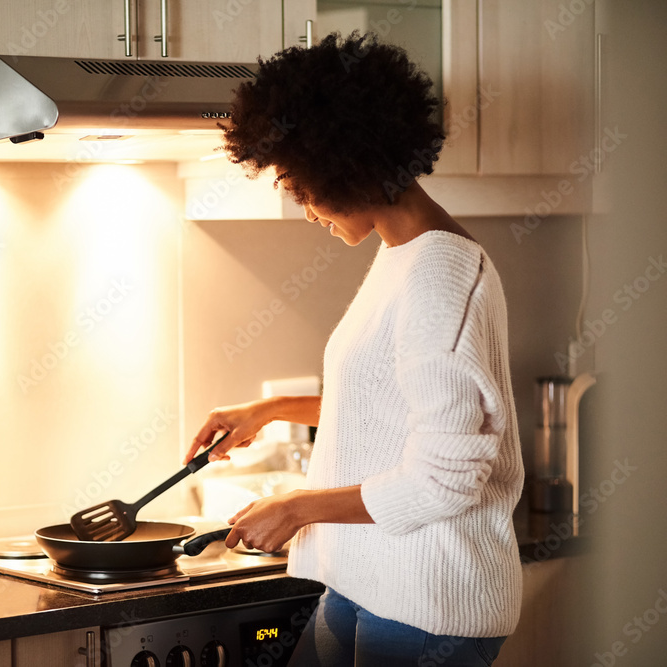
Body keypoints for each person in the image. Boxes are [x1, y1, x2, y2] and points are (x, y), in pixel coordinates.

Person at [185, 32, 523, 666]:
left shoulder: (442, 278)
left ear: (345, 162)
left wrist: (297, 507)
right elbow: (392, 403)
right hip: (365, 580)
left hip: (429, 602)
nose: (303, 208)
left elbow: (443, 479)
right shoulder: (404, 256)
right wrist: (272, 409)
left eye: (297, 183)